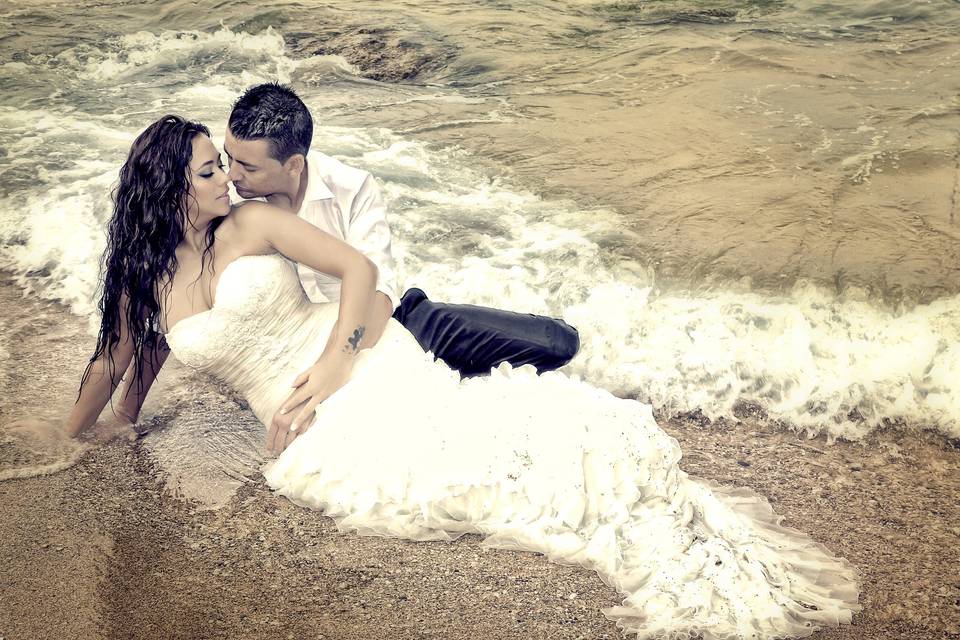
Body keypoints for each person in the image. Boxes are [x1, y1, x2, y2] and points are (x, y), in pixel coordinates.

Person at [14, 115, 858, 639]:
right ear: (167, 187)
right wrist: (74, 435)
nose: (226, 178)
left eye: (222, 166)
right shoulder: (145, 280)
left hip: (356, 363)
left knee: (467, 460)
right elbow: (116, 362)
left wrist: (337, 364)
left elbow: (355, 268)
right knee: (352, 479)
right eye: (206, 170)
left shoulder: (256, 223)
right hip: (294, 415)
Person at [113, 82, 580, 431]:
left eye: (246, 166)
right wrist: (124, 414)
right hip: (303, 358)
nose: (231, 175)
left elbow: (376, 296)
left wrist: (337, 366)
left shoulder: (350, 189)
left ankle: (457, 384)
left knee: (556, 344)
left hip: (395, 326)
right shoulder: (223, 209)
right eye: (227, 159)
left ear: (292, 165)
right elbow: (179, 304)